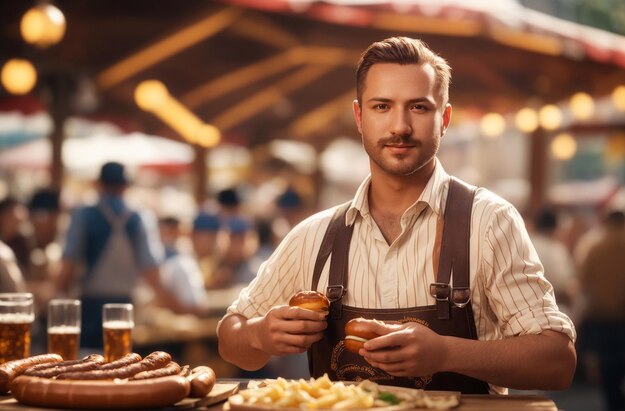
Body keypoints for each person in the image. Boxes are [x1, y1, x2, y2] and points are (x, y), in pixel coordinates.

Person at [217, 37, 576, 394]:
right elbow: (230, 338)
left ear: (445, 118)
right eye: (382, 107)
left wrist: (447, 352)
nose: (400, 126)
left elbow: (557, 363)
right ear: (359, 117)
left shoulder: (489, 222)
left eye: (418, 107)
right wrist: (259, 334)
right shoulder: (313, 236)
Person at [55, 161, 194, 349]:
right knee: (120, 359)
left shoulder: (84, 215)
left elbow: (68, 266)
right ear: (125, 186)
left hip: (90, 305)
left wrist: (57, 297)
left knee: (87, 362)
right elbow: (152, 272)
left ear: (99, 184)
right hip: (124, 307)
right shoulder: (139, 218)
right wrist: (177, 307)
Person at [578, 210, 625, 411]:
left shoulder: (593, 247)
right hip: (624, 317)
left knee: (608, 368)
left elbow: (584, 281)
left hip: (600, 316)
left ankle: (613, 402)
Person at [529, 208, 577, 317]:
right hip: (551, 309)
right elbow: (564, 284)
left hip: (523, 309)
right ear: (555, 228)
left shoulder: (525, 244)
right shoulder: (556, 250)